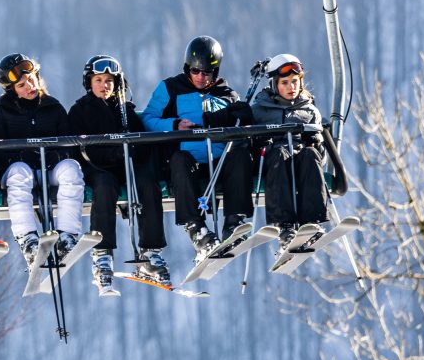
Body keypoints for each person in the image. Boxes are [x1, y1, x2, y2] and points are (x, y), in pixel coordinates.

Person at [141, 36, 255, 254]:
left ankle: (234, 221)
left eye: (207, 72)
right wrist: (174, 125)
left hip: (218, 162)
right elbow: (147, 119)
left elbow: (240, 128)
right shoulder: (170, 88)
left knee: (240, 157)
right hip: (186, 160)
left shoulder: (226, 94)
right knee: (179, 160)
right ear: (187, 68)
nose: (201, 77)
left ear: (216, 71)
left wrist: (241, 118)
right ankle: (196, 227)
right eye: (195, 71)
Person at [67, 55, 169, 290]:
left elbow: (141, 142)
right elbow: (75, 147)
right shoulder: (80, 111)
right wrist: (108, 155)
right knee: (104, 187)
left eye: (110, 81)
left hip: (126, 166)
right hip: (97, 168)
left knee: (147, 184)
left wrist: (132, 153)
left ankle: (150, 250)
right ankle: (103, 252)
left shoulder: (125, 110)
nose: (105, 85)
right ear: (89, 83)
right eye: (99, 80)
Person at [0, 54, 85, 266]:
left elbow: (68, 144)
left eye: (32, 79)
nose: (29, 86)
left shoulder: (53, 107)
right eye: (22, 85)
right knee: (19, 172)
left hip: (48, 168)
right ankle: (28, 239)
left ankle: (67, 235)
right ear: (12, 89)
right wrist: (16, 157)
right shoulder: (2, 111)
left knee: (71, 168)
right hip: (19, 171)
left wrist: (56, 156)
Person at [249, 54, 330, 252]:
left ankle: (311, 223)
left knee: (310, 155)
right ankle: (284, 227)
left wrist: (316, 144)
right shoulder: (259, 110)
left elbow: (322, 157)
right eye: (285, 83)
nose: (291, 87)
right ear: (275, 84)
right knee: (280, 153)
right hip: (274, 161)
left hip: (301, 160)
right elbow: (248, 145)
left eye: (295, 82)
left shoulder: (309, 111)